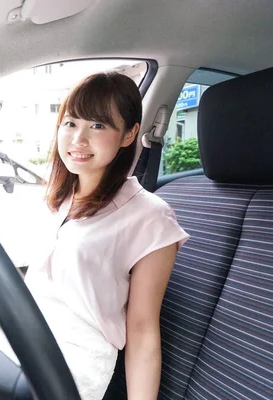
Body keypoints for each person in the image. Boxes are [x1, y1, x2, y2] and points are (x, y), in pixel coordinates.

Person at [24, 72, 189, 399]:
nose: (78, 139)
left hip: (73, 366)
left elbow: (142, 331)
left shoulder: (151, 217)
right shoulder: (62, 197)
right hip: (26, 339)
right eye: (70, 123)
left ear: (129, 134)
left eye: (98, 126)